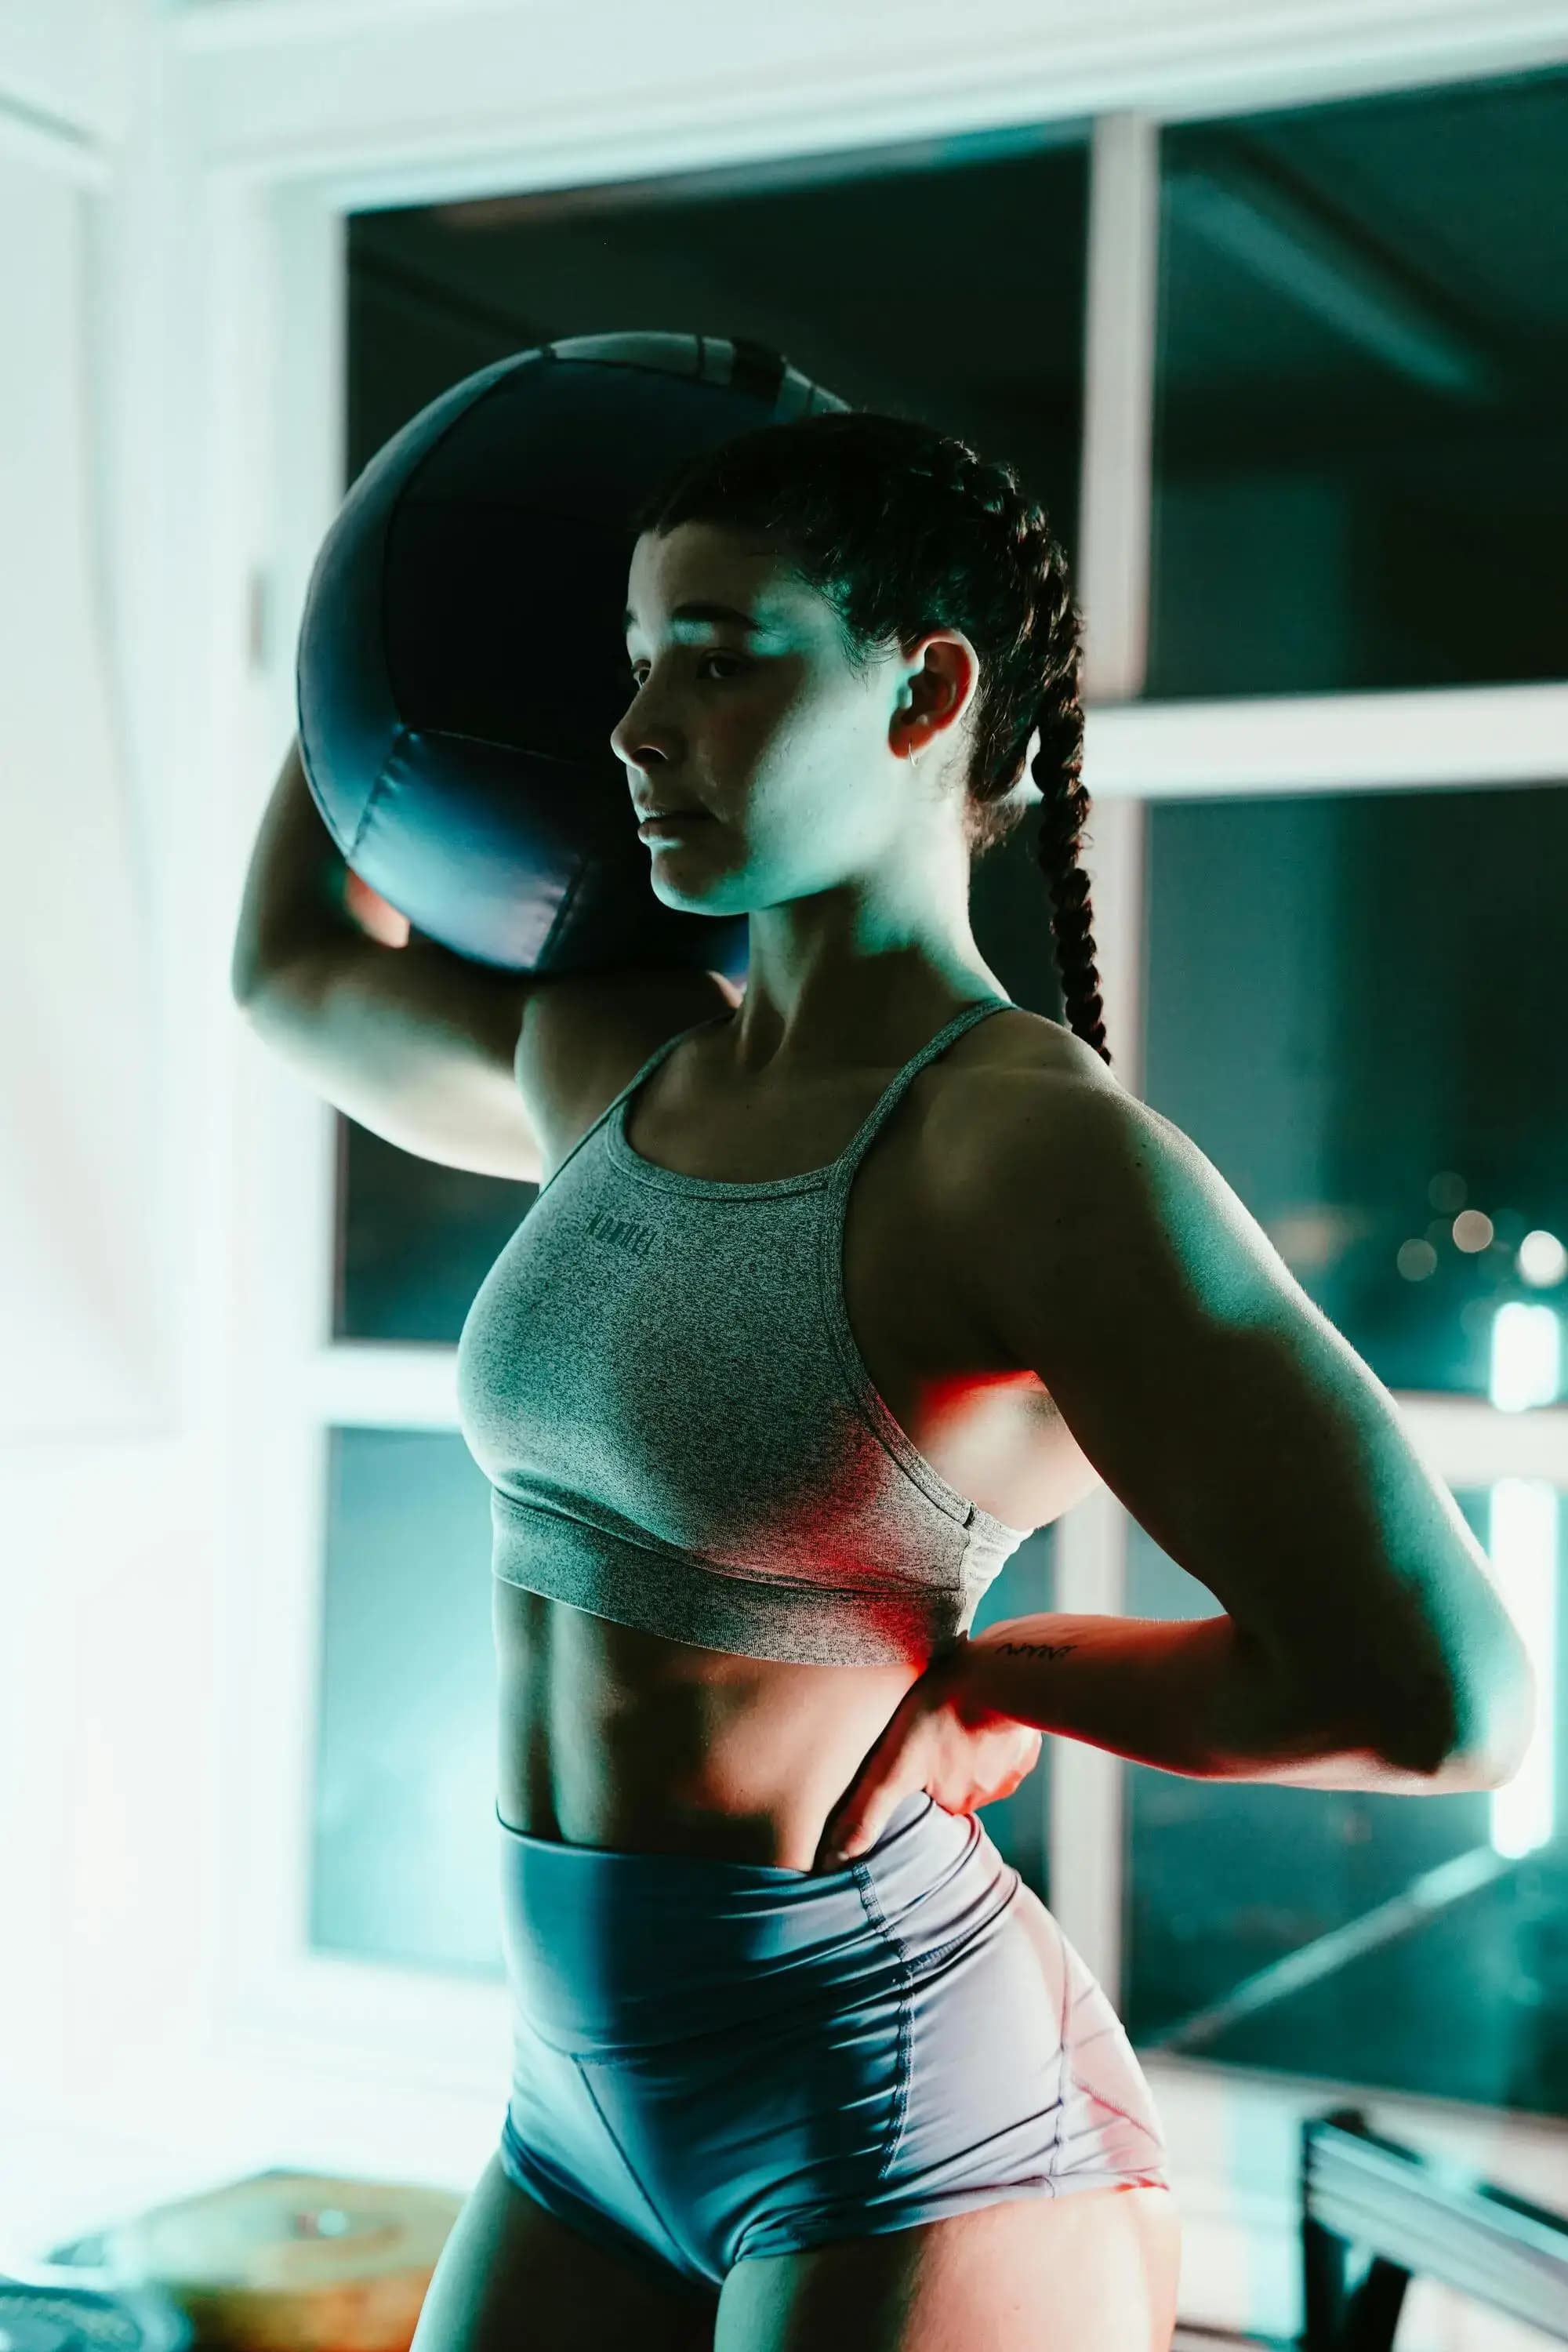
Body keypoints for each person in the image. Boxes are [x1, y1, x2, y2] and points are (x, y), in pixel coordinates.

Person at [234, 412, 1528, 2352]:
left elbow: (1448, 1702)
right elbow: (293, 974)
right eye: (631, 660)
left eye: (723, 655)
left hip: (902, 2119)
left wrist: (1003, 1682)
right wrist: (388, 599)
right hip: (579, 2105)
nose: (635, 724)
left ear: (927, 689)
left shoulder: (1025, 1156)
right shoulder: (620, 1067)